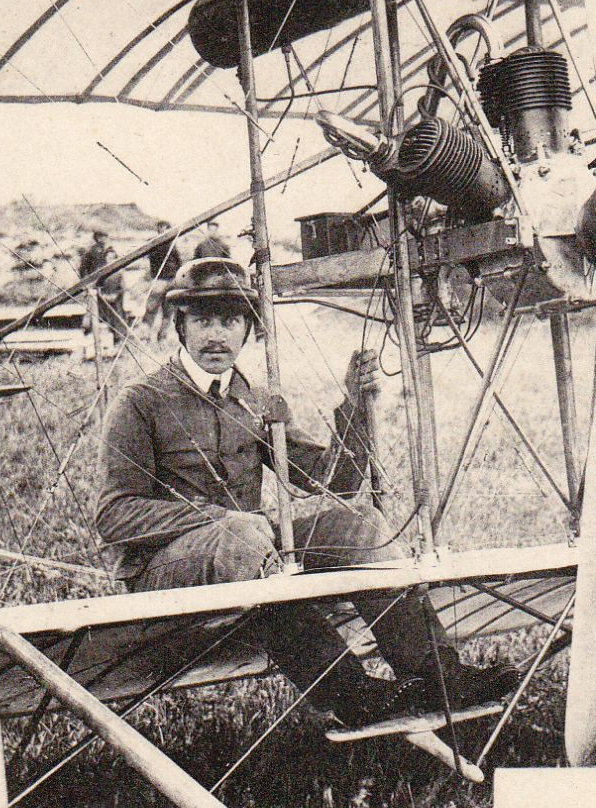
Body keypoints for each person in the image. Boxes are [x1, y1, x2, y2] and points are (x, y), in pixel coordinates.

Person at [96, 257, 518, 727]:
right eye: (203, 320)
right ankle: (350, 692)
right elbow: (114, 515)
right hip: (166, 575)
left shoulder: (253, 399)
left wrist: (354, 407)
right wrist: (215, 521)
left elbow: (333, 479)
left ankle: (438, 676)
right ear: (180, 326)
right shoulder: (141, 401)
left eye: (231, 320)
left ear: (249, 329)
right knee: (244, 537)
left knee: (357, 526)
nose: (217, 335)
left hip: (248, 553)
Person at [79, 229, 128, 341]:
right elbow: (83, 269)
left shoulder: (109, 250)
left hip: (111, 285)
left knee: (115, 312)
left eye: (106, 236)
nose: (105, 239)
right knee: (96, 312)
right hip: (98, 284)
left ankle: (117, 336)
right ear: (98, 238)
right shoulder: (91, 252)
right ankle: (91, 334)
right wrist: (87, 283)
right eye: (102, 236)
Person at [140, 219, 182, 342]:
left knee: (169, 311)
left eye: (166, 228)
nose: (163, 230)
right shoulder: (154, 243)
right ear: (158, 230)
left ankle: (162, 338)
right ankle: (145, 337)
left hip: (171, 280)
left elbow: (178, 262)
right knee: (151, 309)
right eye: (161, 228)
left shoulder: (172, 245)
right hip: (159, 280)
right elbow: (147, 256)